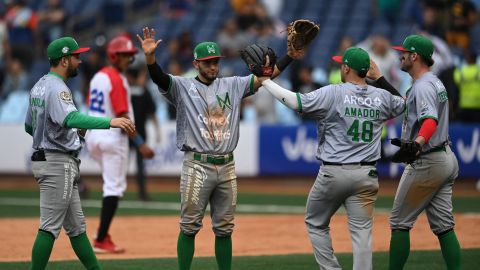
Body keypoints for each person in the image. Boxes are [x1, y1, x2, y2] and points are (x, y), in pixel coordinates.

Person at [137, 27, 302, 270]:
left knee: (225, 230)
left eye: (216, 62)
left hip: (227, 167)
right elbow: (159, 78)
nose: (213, 66)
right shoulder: (182, 88)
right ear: (196, 64)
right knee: (189, 227)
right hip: (197, 165)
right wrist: (150, 58)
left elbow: (266, 78)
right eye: (208, 63)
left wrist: (289, 56)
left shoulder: (233, 85)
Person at [258, 47, 405, 270]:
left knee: (315, 223)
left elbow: (295, 102)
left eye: (341, 64)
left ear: (346, 68)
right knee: (362, 233)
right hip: (367, 174)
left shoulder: (334, 92)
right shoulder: (382, 96)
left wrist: (266, 82)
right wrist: (381, 79)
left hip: (334, 172)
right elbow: (404, 103)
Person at [25, 36, 136, 270]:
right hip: (57, 162)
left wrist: (63, 133)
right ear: (64, 60)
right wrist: (110, 122)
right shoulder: (57, 88)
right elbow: (71, 118)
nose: (80, 60)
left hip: (53, 158)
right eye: (76, 56)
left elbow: (29, 126)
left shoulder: (39, 85)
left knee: (77, 227)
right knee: (49, 227)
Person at [389, 34, 461, 270]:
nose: (400, 55)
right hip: (445, 157)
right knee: (444, 226)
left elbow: (429, 121)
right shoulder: (433, 81)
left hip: (428, 160)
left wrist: (417, 143)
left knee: (399, 222)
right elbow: (405, 102)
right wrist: (379, 79)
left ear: (414, 56)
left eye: (404, 52)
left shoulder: (423, 86)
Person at [85, 34, 155, 253]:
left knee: (111, 184)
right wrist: (141, 144)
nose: (129, 59)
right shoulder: (118, 79)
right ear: (114, 56)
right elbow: (123, 116)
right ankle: (101, 238)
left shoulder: (98, 76)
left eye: (130, 56)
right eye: (125, 55)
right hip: (112, 137)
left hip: (93, 134)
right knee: (114, 188)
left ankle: (102, 234)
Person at [126, 53, 161, 201]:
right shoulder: (139, 91)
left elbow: (152, 112)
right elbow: (152, 113)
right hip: (132, 132)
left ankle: (118, 192)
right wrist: (157, 129)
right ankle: (141, 194)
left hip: (128, 132)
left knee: (128, 165)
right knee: (130, 165)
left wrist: (157, 129)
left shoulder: (129, 90)